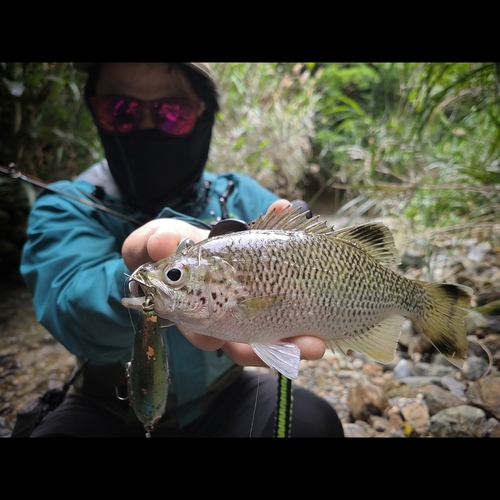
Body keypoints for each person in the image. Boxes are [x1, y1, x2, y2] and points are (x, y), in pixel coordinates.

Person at [18, 63, 344, 437]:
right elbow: (68, 306)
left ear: (203, 115)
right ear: (96, 111)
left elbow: (308, 259)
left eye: (172, 113)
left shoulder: (243, 195)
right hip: (107, 405)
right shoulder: (63, 207)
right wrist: (138, 283)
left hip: (225, 396)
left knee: (311, 424)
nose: (145, 127)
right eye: (120, 110)